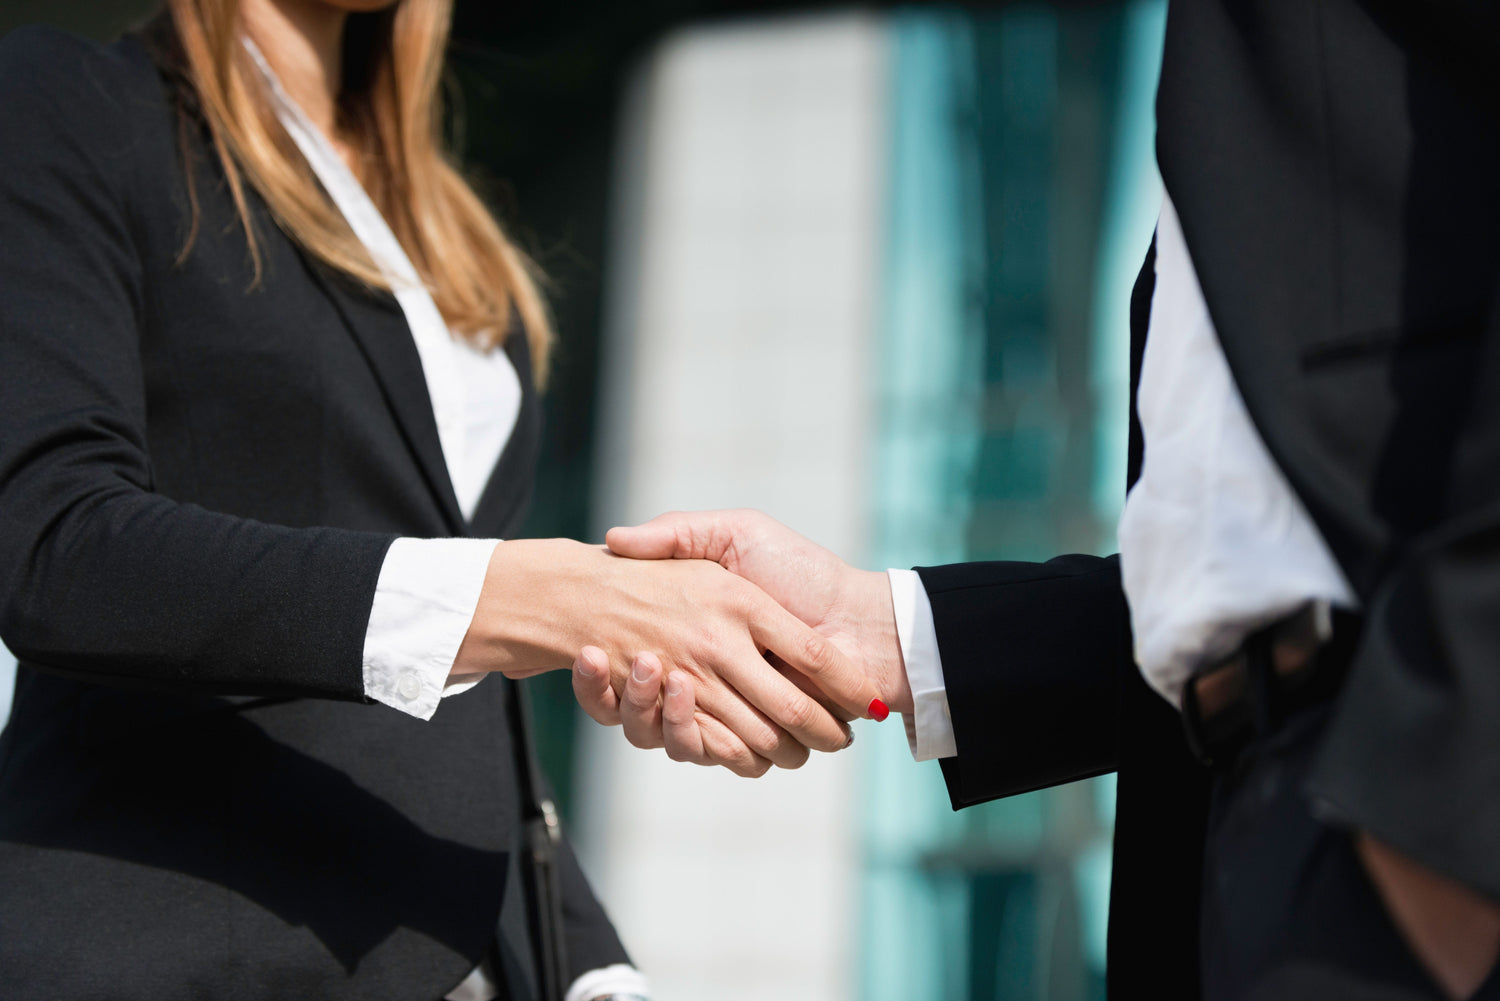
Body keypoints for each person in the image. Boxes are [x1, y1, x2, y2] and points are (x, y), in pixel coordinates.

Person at [575, 1, 1500, 999]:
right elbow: (1233, 567)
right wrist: (875, 630)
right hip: (1257, 838)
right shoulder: (1217, 120)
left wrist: (1447, 827)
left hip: (1409, 827)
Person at [0, 1, 885, 998]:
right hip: (184, 941)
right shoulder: (73, 103)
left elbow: (468, 714)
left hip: (462, 951)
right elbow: (54, 541)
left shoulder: (442, 230)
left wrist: (594, 967)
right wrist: (538, 595)